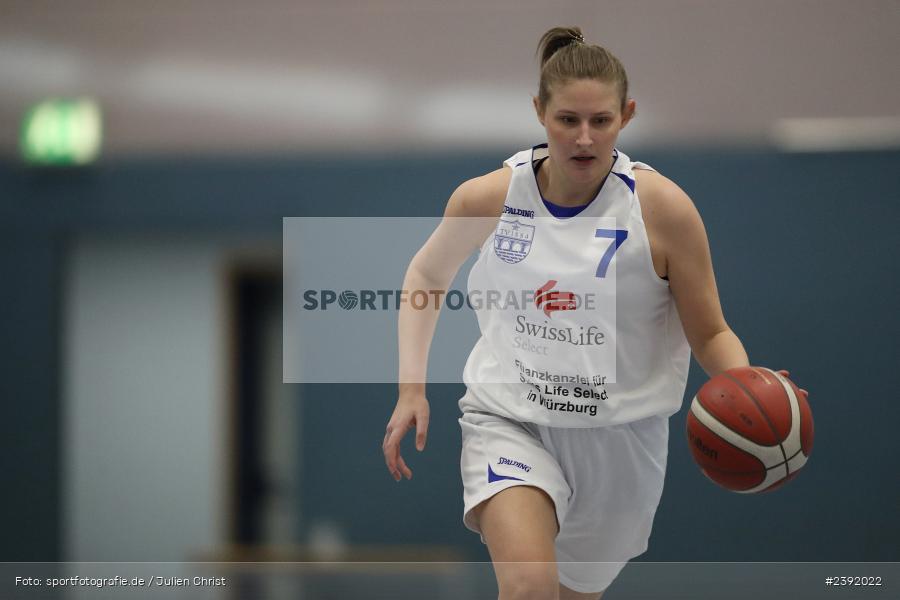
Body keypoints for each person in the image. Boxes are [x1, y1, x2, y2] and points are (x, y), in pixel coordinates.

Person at [383, 25, 759, 599]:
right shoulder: (487, 198)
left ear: (627, 116)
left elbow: (709, 331)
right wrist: (411, 388)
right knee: (530, 588)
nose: (584, 138)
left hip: (621, 439)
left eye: (601, 121)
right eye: (567, 120)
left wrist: (747, 389)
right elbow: (426, 276)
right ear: (539, 112)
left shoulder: (662, 210)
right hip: (509, 417)